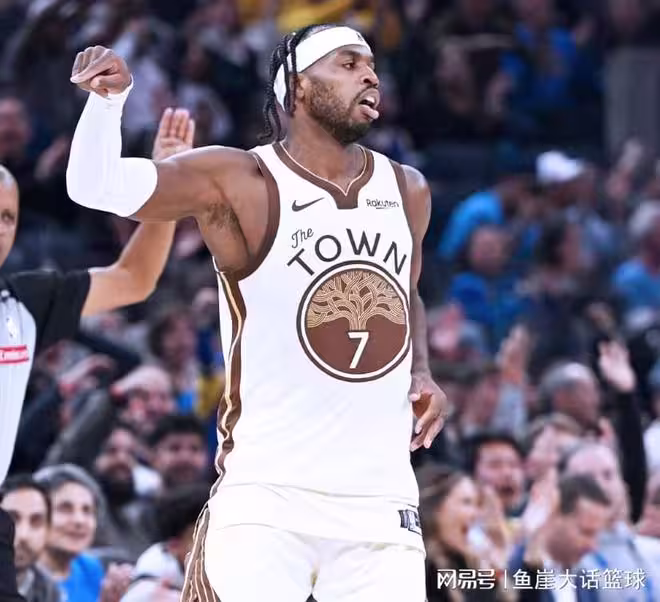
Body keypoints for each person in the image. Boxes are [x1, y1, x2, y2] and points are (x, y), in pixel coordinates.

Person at [65, 23, 448, 602]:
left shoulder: (407, 187)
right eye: (348, 64)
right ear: (298, 86)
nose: (370, 76)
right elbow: (95, 186)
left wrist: (421, 369)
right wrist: (107, 103)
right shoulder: (239, 178)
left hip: (381, 501)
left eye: (371, 65)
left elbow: (406, 291)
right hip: (268, 496)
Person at [0, 107, 195, 602]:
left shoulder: (25, 301)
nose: (0, 228)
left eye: (8, 217)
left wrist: (166, 188)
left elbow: (135, 278)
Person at [0, 475, 61, 602]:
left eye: (36, 521)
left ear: (49, 531)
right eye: (11, 518)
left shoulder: (50, 592)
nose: (24, 535)